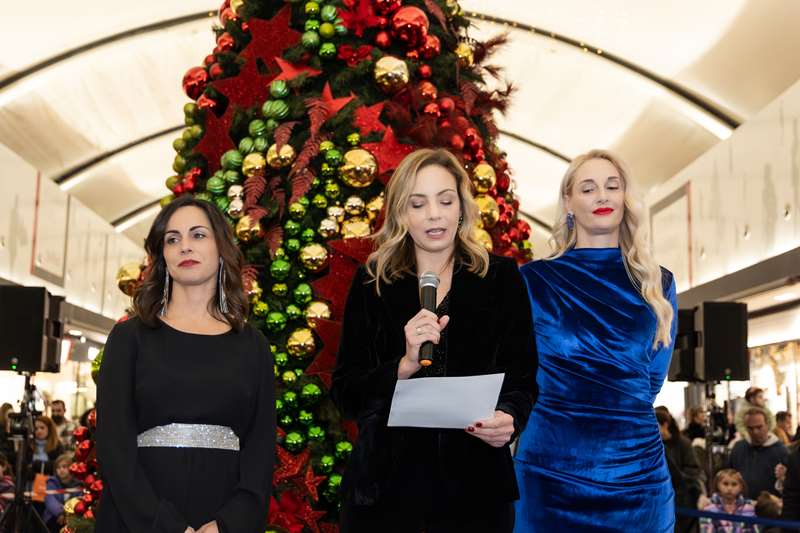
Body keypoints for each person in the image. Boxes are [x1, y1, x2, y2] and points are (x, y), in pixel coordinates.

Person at [332, 148, 539, 532]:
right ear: (401, 213)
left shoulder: (500, 278)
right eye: (418, 203)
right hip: (384, 495)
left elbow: (522, 377)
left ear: (461, 206)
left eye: (445, 200)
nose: (434, 214)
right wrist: (403, 366)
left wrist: (508, 417)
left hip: (477, 492)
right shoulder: (371, 282)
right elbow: (346, 393)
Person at [513, 149, 678, 532]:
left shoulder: (658, 283)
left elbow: (653, 379)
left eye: (612, 186)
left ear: (625, 197)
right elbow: (518, 373)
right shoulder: (534, 281)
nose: (602, 196)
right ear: (568, 202)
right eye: (588, 188)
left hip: (638, 481)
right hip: (548, 478)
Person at [96, 195, 276, 533]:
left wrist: (229, 524)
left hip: (224, 519)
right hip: (138, 519)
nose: (185, 246)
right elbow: (114, 448)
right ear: (162, 255)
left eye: (198, 235)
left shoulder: (254, 347)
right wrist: (165, 526)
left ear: (221, 247)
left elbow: (261, 450)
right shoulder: (129, 338)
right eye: (172, 239)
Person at [657, 407, 702, 531]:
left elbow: (694, 470)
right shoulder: (654, 446)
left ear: (665, 425)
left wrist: (677, 476)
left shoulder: (683, 443)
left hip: (682, 499)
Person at [728, 409, 788, 499]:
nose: (755, 432)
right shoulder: (738, 448)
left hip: (770, 505)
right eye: (750, 428)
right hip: (742, 504)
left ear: (767, 426)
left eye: (759, 427)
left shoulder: (781, 451)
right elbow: (728, 476)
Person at [698, 469, 758, 533]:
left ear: (741, 487)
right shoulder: (709, 509)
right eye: (725, 484)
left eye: (734, 484)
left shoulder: (750, 509)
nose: (729, 488)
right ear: (718, 485)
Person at [43, 453, 80, 532]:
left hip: (72, 517)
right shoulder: (51, 482)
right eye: (58, 467)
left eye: (64, 467)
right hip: (53, 516)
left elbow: (78, 501)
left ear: (71, 468)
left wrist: (67, 514)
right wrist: (61, 513)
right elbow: (50, 501)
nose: (61, 470)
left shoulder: (78, 484)